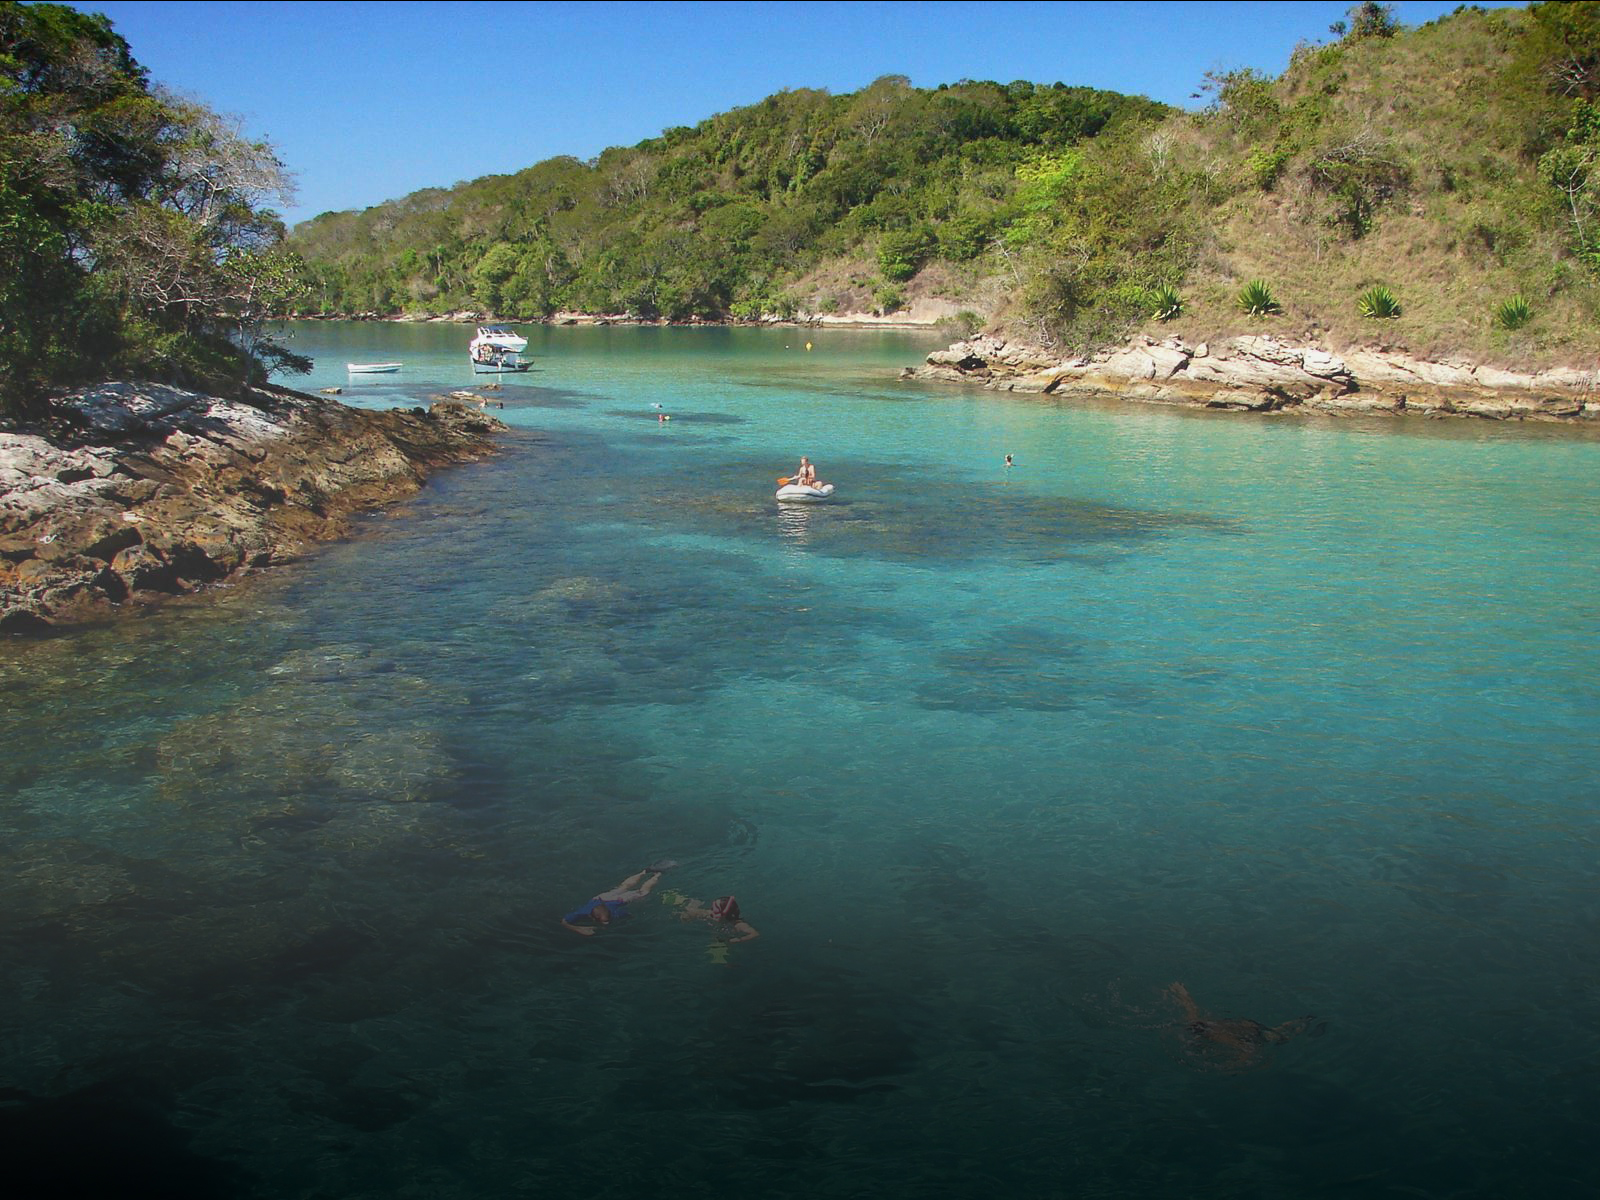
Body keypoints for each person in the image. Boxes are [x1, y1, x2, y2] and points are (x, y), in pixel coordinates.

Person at [1164, 982, 1315, 1070]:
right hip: (1247, 1025)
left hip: (1252, 1032)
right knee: (1277, 1033)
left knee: (1280, 1037)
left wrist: (1232, 1066)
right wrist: (1181, 991)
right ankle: (1302, 1021)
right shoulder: (1205, 1024)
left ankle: (1301, 1023)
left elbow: (1247, 1051)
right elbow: (1190, 1006)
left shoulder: (1216, 1034)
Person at [561, 867, 668, 936]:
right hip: (602, 898)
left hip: (615, 900)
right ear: (591, 916)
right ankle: (644, 872)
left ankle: (657, 874)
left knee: (643, 892)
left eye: (606, 921)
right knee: (624, 887)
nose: (606, 923)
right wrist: (579, 929)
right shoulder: (581, 912)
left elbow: (629, 914)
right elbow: (564, 922)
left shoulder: (616, 913)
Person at [679, 894, 760, 945]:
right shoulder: (712, 915)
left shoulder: (738, 924)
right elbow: (695, 912)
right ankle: (692, 901)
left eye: (715, 910)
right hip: (719, 933)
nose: (712, 911)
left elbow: (755, 934)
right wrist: (686, 917)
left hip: (723, 935)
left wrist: (738, 940)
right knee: (688, 911)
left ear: (725, 914)